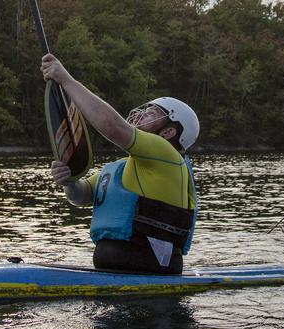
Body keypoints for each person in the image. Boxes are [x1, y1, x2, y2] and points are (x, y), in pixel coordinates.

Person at [41, 53, 199, 274]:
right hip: (116, 271)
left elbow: (112, 126)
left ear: (168, 132)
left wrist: (66, 80)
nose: (142, 114)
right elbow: (81, 196)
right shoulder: (121, 168)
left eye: (150, 114)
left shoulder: (168, 156)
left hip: (152, 271)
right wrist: (69, 181)